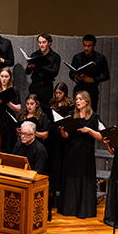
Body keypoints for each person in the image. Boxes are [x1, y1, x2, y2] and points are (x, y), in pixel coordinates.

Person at [58, 91, 103, 219]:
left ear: (87, 102)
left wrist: (88, 130)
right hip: (72, 150)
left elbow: (101, 136)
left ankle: (84, 209)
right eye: (76, 99)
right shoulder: (72, 115)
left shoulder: (94, 117)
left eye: (80, 99)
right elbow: (65, 135)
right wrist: (62, 129)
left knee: (84, 179)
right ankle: (70, 208)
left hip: (86, 152)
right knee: (71, 179)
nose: (77, 101)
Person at [46, 82, 73, 221]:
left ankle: (59, 194)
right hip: (52, 139)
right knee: (51, 164)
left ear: (65, 94)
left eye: (60, 93)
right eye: (56, 93)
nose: (57, 95)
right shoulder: (52, 105)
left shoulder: (69, 108)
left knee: (60, 165)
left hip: (62, 141)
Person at [69, 34, 110, 111]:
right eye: (84, 45)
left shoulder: (100, 58)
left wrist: (93, 80)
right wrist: (76, 77)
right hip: (79, 88)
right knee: (77, 112)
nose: (86, 48)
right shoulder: (77, 57)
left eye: (89, 46)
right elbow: (71, 74)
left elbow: (106, 75)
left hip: (92, 89)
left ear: (94, 45)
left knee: (91, 112)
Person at [24, 33, 61, 107]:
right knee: (32, 108)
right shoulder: (35, 55)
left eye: (44, 42)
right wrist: (29, 67)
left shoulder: (55, 57)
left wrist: (39, 66)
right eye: (40, 42)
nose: (41, 45)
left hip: (46, 87)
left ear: (49, 43)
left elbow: (55, 72)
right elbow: (27, 72)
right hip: (35, 85)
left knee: (45, 109)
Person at [0, 67, 21, 154]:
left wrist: (8, 102)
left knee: (8, 145)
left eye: (6, 77)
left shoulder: (14, 90)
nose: (4, 79)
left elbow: (18, 109)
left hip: (9, 121)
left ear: (10, 78)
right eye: (2, 76)